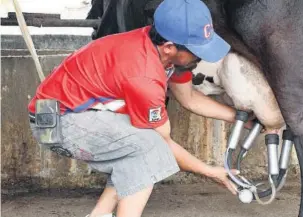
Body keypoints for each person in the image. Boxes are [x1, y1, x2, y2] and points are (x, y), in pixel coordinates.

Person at [28, 0, 252, 216]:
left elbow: (190, 98)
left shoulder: (166, 52)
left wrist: (242, 118)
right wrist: (212, 172)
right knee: (147, 148)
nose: (201, 56)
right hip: (56, 122)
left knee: (137, 145)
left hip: (76, 113)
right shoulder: (144, 74)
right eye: (197, 50)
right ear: (169, 47)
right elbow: (162, 143)